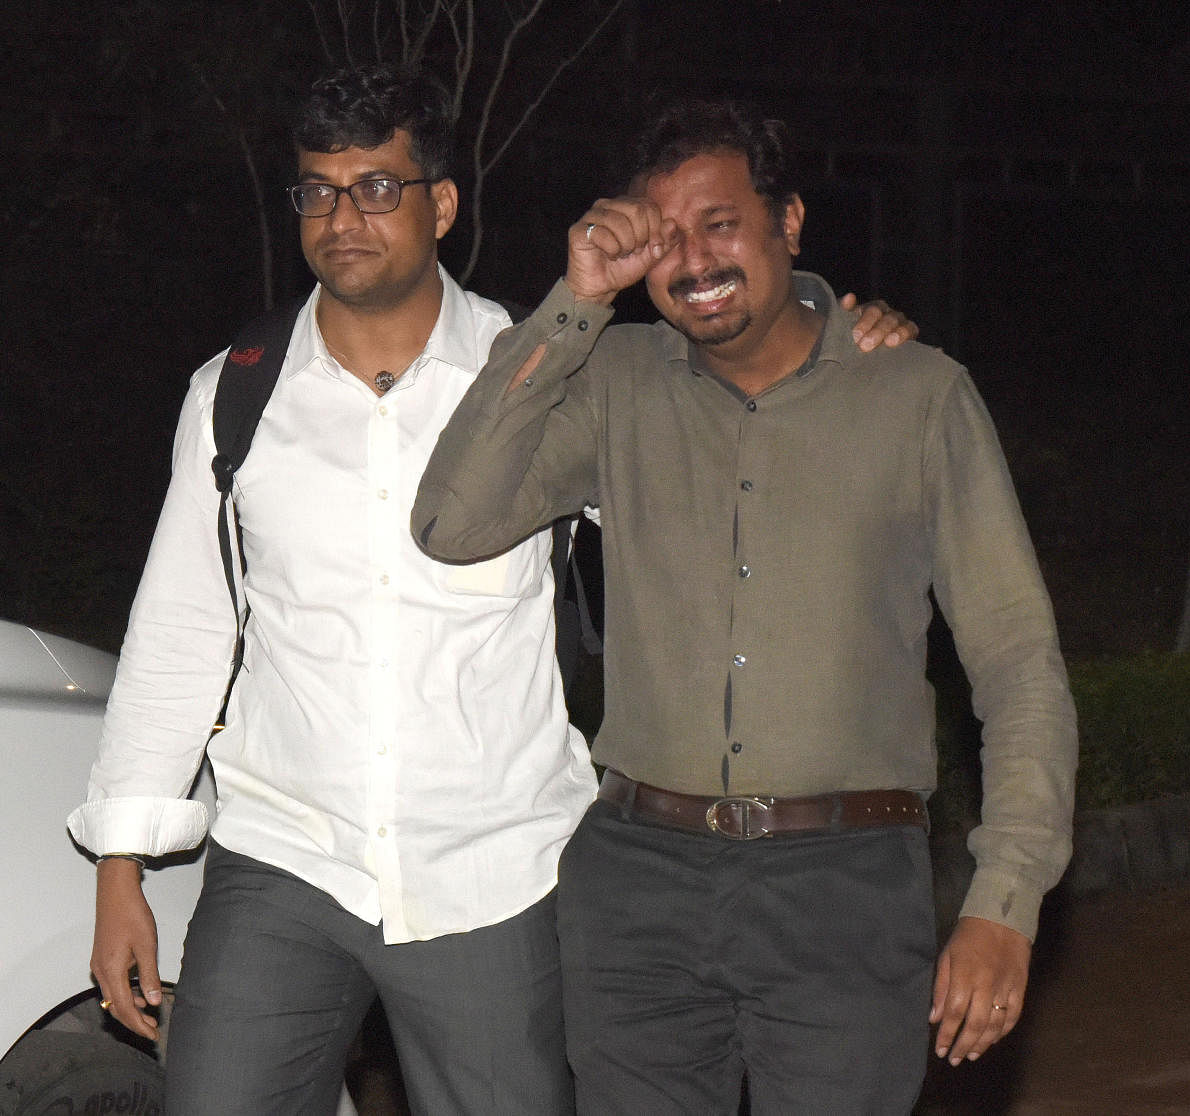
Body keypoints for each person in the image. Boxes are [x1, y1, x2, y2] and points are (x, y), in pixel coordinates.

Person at [66, 70, 912, 1114]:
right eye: (318, 191)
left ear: (443, 204)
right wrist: (121, 867)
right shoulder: (234, 393)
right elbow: (183, 630)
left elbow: (740, 477)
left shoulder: (555, 372)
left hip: (495, 873)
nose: (344, 217)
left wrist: (835, 335)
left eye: (378, 187)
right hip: (283, 860)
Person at [412, 97, 1078, 1114]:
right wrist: (576, 298)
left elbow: (1019, 662)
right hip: (637, 881)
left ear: (790, 223)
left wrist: (1008, 901)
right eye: (663, 237)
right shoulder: (614, 382)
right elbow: (452, 522)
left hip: (846, 888)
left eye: (720, 223)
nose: (693, 260)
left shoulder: (918, 396)